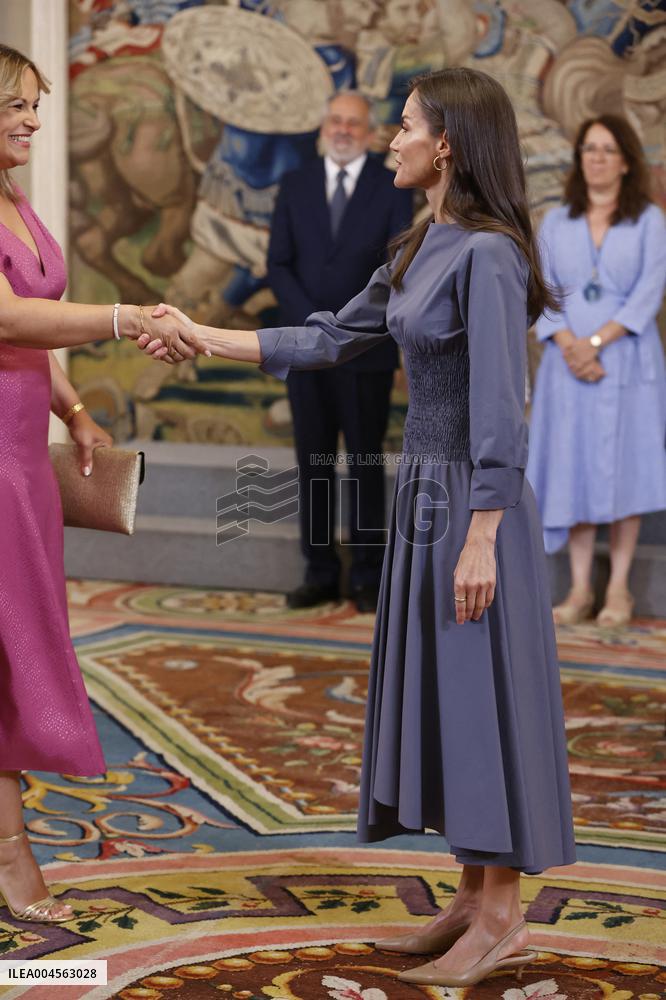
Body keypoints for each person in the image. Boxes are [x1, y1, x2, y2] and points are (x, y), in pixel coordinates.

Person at [142, 66, 576, 989]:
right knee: (453, 700)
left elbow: (504, 405)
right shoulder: (423, 243)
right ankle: (471, 893)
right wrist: (200, 333)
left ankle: (504, 916)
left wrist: (482, 533)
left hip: (469, 504)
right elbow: (328, 337)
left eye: (406, 124)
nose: (392, 137)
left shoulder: (491, 254)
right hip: (423, 495)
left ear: (448, 142)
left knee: (482, 696)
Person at [0, 44, 193, 926]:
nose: (34, 122)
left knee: (25, 636)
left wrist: (73, 411)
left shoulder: (15, 199)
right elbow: (5, 316)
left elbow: (32, 340)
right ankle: (10, 851)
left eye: (37, 106)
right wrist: (121, 316)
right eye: (18, 105)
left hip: (20, 457)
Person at [267, 90, 413, 613]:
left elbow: (398, 265)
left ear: (370, 132)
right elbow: (278, 264)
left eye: (354, 122)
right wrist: (314, 328)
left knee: (367, 462)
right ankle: (321, 572)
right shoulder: (296, 184)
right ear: (322, 126)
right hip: (304, 350)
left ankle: (369, 575)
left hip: (366, 350)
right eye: (336, 120)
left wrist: (348, 329)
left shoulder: (391, 185)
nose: (344, 129)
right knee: (314, 463)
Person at [526, 115, 666, 627]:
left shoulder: (648, 220)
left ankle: (620, 590)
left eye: (608, 150)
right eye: (589, 148)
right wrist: (568, 344)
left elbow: (650, 290)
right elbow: (541, 290)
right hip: (568, 369)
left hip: (625, 361)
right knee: (573, 469)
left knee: (625, 470)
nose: (597, 158)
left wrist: (595, 343)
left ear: (626, 161)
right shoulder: (558, 222)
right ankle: (582, 588)